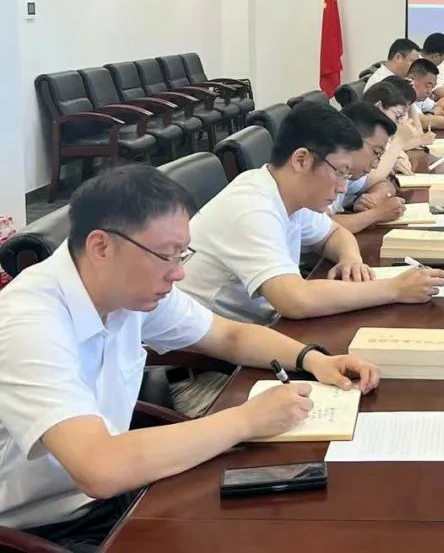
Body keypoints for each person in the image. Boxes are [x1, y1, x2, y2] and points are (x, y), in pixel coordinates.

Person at [0, 164, 380, 550]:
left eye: (182, 255)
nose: (179, 273)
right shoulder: (29, 323)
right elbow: (99, 467)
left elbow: (228, 335)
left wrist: (313, 360)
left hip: (119, 491)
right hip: (45, 528)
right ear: (101, 247)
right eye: (167, 256)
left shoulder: (122, 286)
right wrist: (246, 420)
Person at [179, 102, 444, 324]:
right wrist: (395, 288)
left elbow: (334, 232)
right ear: (301, 160)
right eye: (340, 172)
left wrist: (351, 260)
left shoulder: (286, 191)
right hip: (206, 356)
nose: (343, 186)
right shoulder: (251, 207)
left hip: (259, 327)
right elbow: (295, 300)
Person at [330, 101, 409, 233]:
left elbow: (384, 184)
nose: (375, 164)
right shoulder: (323, 169)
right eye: (376, 153)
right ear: (352, 139)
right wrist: (376, 214)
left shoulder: (348, 172)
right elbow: (319, 227)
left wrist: (373, 199)